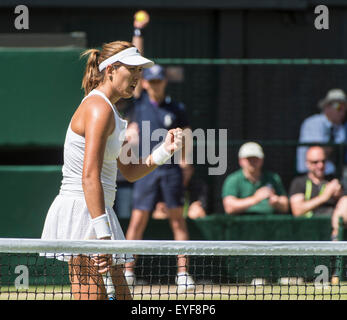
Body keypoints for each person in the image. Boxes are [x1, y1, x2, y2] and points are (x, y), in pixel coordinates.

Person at [40, 40, 184, 300]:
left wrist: (165, 150)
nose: (137, 78)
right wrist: (102, 238)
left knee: (124, 298)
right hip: (83, 211)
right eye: (132, 70)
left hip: (99, 211)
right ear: (111, 70)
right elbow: (89, 176)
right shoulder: (98, 109)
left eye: (140, 71)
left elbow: (129, 172)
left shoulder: (114, 114)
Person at [124, 11, 195, 293]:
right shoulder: (139, 102)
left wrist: (186, 166)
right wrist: (138, 32)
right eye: (149, 81)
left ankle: (183, 274)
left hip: (170, 171)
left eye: (158, 81)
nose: (154, 84)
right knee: (138, 221)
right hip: (144, 169)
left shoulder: (177, 109)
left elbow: (187, 140)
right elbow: (133, 63)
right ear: (144, 83)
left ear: (164, 82)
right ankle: (128, 271)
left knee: (178, 220)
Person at [290, 146, 347, 240]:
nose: (320, 165)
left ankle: (336, 237)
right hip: (308, 231)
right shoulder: (299, 182)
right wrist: (324, 196)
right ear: (307, 164)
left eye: (323, 161)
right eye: (315, 162)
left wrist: (339, 195)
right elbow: (297, 211)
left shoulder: (334, 180)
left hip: (332, 226)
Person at [222, 142, 289, 215]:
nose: (252, 162)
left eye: (255, 158)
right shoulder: (233, 179)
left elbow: (285, 206)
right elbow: (229, 207)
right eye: (249, 159)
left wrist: (277, 202)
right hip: (241, 224)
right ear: (240, 161)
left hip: (269, 222)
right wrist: (256, 198)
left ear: (262, 160)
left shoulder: (273, 178)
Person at [296, 88, 347, 175]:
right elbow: (320, 150)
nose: (342, 111)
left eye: (344, 107)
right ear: (327, 107)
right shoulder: (314, 123)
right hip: (309, 174)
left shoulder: (340, 127)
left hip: (330, 174)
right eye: (338, 107)